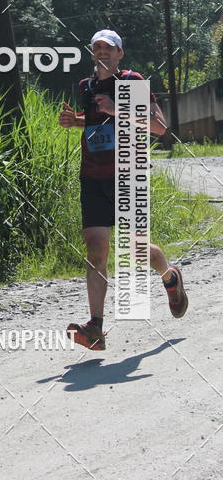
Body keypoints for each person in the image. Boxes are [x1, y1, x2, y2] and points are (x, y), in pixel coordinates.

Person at [58, 29, 188, 351]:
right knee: (96, 251)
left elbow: (159, 127)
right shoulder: (86, 87)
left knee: (136, 250)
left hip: (126, 177)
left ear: (119, 54)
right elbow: (96, 124)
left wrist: (119, 109)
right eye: (97, 47)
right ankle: (95, 328)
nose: (102, 52)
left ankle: (170, 276)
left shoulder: (131, 82)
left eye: (108, 47)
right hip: (92, 177)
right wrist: (74, 121)